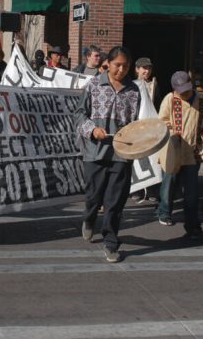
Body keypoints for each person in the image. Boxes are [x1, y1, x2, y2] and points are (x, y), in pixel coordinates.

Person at [75, 46, 141, 263]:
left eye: (126, 66)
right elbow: (79, 114)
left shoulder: (134, 90)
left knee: (115, 201)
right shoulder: (93, 85)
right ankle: (89, 218)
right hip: (95, 151)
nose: (121, 69)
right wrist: (92, 130)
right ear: (108, 64)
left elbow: (136, 123)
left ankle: (111, 242)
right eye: (117, 65)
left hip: (122, 154)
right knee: (94, 195)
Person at [155, 71, 203, 238]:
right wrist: (173, 131)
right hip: (172, 149)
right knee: (169, 183)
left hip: (193, 151)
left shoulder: (202, 101)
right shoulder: (169, 99)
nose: (185, 93)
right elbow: (162, 121)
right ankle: (164, 212)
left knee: (192, 191)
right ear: (174, 89)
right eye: (181, 90)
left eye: (187, 89)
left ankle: (192, 224)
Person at [131, 57, 161, 203]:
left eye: (149, 68)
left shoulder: (155, 85)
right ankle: (136, 189)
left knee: (153, 158)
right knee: (137, 158)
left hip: (151, 127)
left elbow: (159, 106)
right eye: (143, 68)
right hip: (136, 127)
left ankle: (153, 189)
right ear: (137, 69)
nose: (146, 71)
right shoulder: (132, 85)